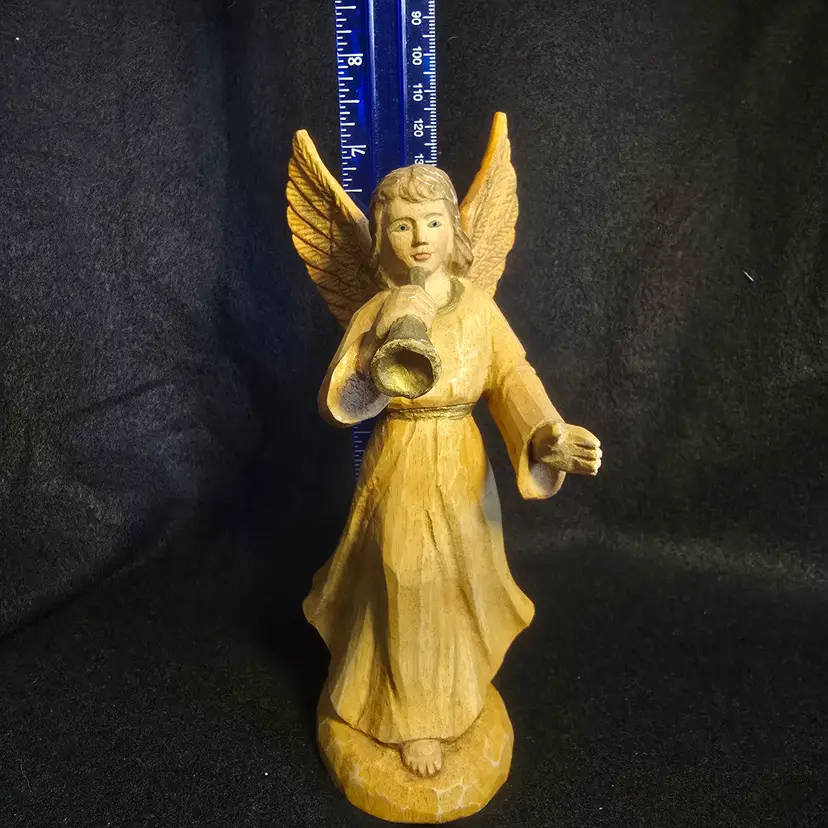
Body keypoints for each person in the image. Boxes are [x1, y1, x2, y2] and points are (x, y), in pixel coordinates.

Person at [303, 164, 602, 778]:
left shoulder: (478, 309)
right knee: (403, 574)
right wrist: (384, 336)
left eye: (433, 222)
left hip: (463, 463)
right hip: (402, 460)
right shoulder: (377, 307)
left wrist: (547, 435)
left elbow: (512, 377)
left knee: (457, 584)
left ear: (454, 229)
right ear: (382, 236)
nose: (420, 238)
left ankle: (451, 701)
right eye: (403, 225)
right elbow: (340, 402)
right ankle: (410, 717)